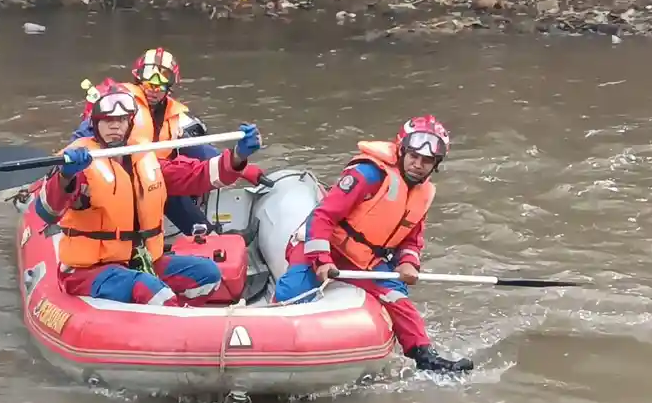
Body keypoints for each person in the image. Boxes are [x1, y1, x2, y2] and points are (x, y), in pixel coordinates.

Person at [272, 116, 475, 373]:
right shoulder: (368, 174)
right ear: (401, 150)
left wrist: (409, 263)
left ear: (435, 165)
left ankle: (425, 357)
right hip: (324, 243)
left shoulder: (422, 194)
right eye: (413, 156)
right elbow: (323, 216)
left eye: (426, 161)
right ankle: (272, 344)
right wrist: (323, 259)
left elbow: (412, 239)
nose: (418, 165)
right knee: (294, 291)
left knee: (398, 298)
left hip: (364, 257)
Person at [35, 85, 264, 306]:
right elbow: (48, 210)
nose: (115, 126)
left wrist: (236, 157)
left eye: (121, 120)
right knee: (150, 288)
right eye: (108, 120)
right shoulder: (79, 166)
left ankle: (172, 321)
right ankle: (173, 325)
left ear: (130, 123)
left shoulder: (143, 158)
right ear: (94, 124)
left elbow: (198, 175)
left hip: (139, 261)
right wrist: (65, 176)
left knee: (208, 274)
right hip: (90, 271)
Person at [72, 47, 263, 235]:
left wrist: (239, 162)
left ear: (169, 86)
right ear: (138, 77)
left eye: (162, 80)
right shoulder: (118, 101)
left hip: (152, 171)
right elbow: (86, 133)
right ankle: (206, 233)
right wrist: (73, 164)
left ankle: (205, 234)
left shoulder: (175, 115)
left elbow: (200, 150)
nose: (154, 88)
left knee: (166, 178)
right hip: (116, 170)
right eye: (149, 77)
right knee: (163, 185)